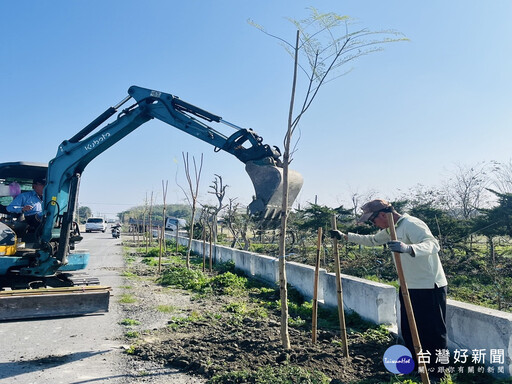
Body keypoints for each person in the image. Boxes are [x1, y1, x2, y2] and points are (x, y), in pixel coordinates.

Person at [330, 199, 448, 375]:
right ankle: (417, 367)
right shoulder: (390, 229)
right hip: (408, 286)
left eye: (372, 220)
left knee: (432, 331)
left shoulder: (410, 224)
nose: (373, 224)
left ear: (383, 215)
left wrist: (408, 248)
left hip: (429, 286)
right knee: (409, 330)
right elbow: (372, 240)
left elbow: (432, 244)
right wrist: (345, 236)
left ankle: (438, 372)